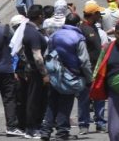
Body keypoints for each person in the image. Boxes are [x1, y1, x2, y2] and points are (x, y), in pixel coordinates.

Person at [40, 13, 94, 141]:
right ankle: (62, 133)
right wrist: (89, 79)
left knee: (52, 103)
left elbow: (46, 55)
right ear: (77, 24)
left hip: (54, 75)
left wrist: (48, 73)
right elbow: (84, 61)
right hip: (70, 76)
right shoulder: (78, 37)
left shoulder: (54, 35)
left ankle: (45, 131)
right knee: (66, 103)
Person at [16, 5, 49, 138]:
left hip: (31, 69)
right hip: (36, 71)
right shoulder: (33, 33)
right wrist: (45, 73)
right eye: (42, 15)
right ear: (39, 16)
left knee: (34, 99)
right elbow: (37, 56)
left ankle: (34, 126)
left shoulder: (28, 30)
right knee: (33, 100)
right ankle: (31, 129)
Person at [77, 1, 107, 134]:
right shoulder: (82, 29)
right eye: (98, 13)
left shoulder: (94, 27)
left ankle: (100, 122)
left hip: (98, 69)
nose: (100, 15)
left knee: (99, 97)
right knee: (84, 98)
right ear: (93, 14)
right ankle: (84, 124)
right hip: (86, 70)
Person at [0, 9, 23, 137]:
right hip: (6, 69)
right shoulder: (6, 29)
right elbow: (16, 47)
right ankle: (11, 126)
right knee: (9, 98)